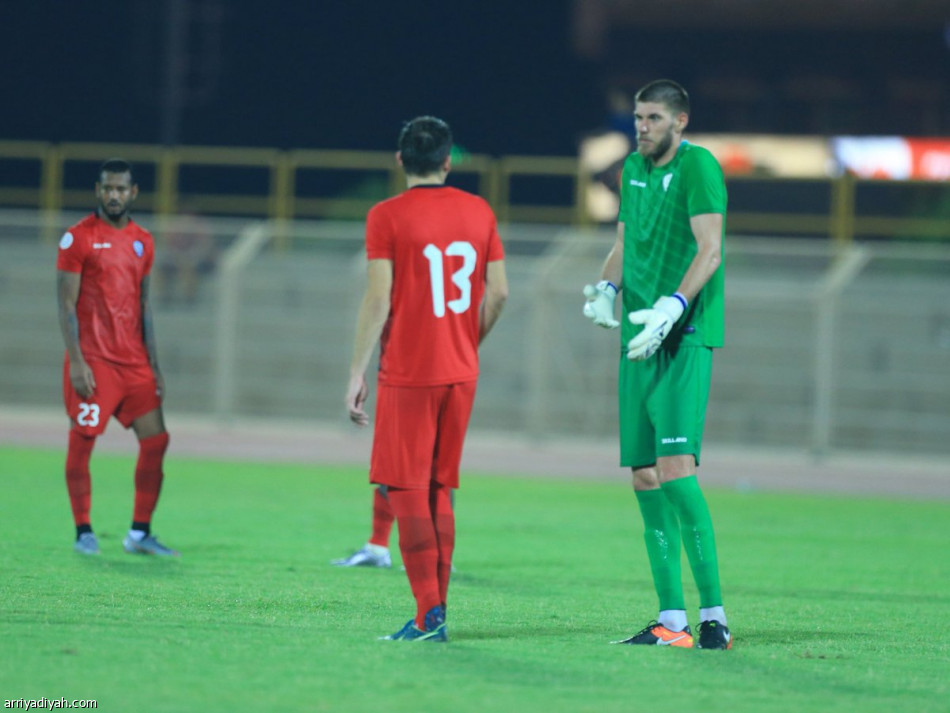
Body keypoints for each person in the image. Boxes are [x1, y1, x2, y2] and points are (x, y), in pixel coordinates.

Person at [345, 116, 507, 642]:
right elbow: (499, 293)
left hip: (409, 371)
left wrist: (356, 370)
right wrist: (466, 342)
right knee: (441, 485)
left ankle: (428, 613)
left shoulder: (386, 216)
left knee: (405, 487)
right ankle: (435, 611)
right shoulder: (479, 210)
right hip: (461, 371)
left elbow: (378, 298)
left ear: (399, 160)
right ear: (447, 160)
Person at [583, 80, 731, 650]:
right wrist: (606, 286)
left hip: (684, 334)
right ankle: (673, 621)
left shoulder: (699, 168)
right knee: (644, 475)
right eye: (638, 117)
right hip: (638, 336)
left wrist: (674, 305)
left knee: (675, 469)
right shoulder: (633, 171)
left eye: (652, 118)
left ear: (680, 121)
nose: (641, 126)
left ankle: (714, 615)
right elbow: (626, 240)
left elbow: (709, 249)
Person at [56, 158, 178, 557]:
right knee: (83, 442)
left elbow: (144, 307)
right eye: (107, 188)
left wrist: (155, 365)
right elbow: (66, 305)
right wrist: (77, 361)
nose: (113, 195)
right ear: (98, 190)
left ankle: (140, 533)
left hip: (135, 364)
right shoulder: (78, 239)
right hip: (95, 362)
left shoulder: (144, 240)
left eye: (121, 189)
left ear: (133, 192)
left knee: (157, 441)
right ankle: (83, 531)